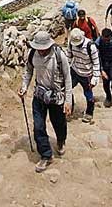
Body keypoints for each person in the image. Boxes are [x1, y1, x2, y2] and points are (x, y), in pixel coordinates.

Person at [19, 30, 72, 172]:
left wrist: (68, 101)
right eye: (38, 49)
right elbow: (28, 71)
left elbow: (67, 79)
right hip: (40, 96)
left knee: (59, 124)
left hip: (56, 97)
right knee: (38, 127)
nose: (41, 52)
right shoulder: (32, 55)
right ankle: (46, 155)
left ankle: (61, 141)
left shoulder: (60, 56)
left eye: (43, 49)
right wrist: (24, 87)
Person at [66, 28, 100, 124]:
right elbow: (68, 56)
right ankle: (69, 107)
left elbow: (96, 63)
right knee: (67, 89)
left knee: (88, 94)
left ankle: (89, 112)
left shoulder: (90, 46)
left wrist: (95, 78)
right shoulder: (71, 44)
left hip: (87, 74)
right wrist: (65, 70)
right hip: (75, 71)